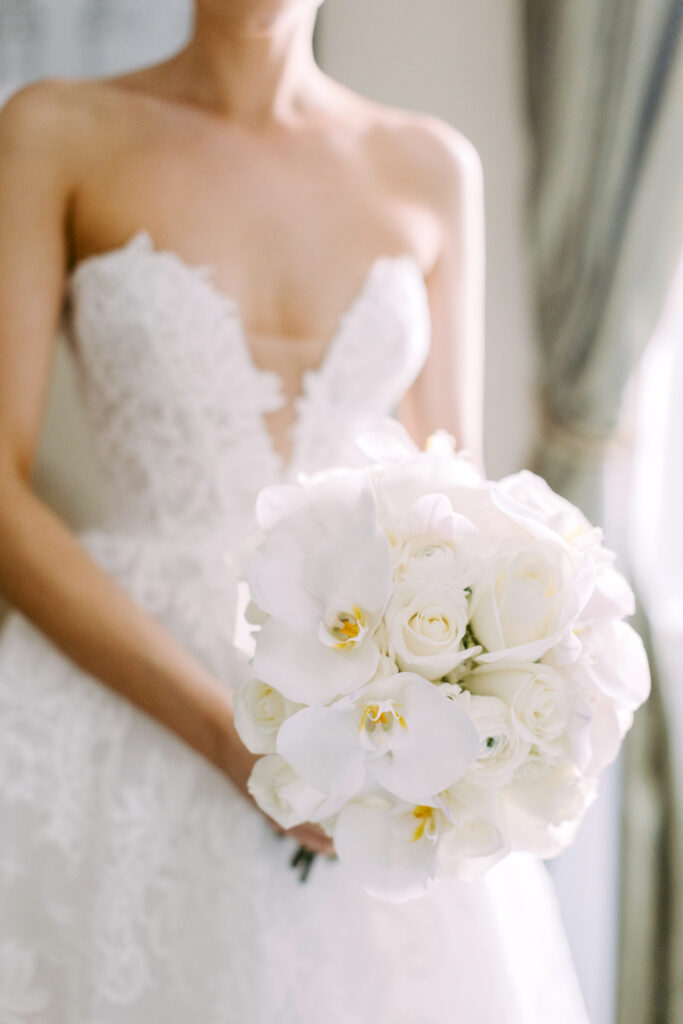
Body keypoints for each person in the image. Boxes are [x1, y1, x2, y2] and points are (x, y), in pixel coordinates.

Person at [0, 1, 590, 1020]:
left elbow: (459, 500)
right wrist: (229, 735)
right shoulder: (55, 129)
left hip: (371, 724)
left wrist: (461, 705)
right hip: (120, 705)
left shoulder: (429, 165)